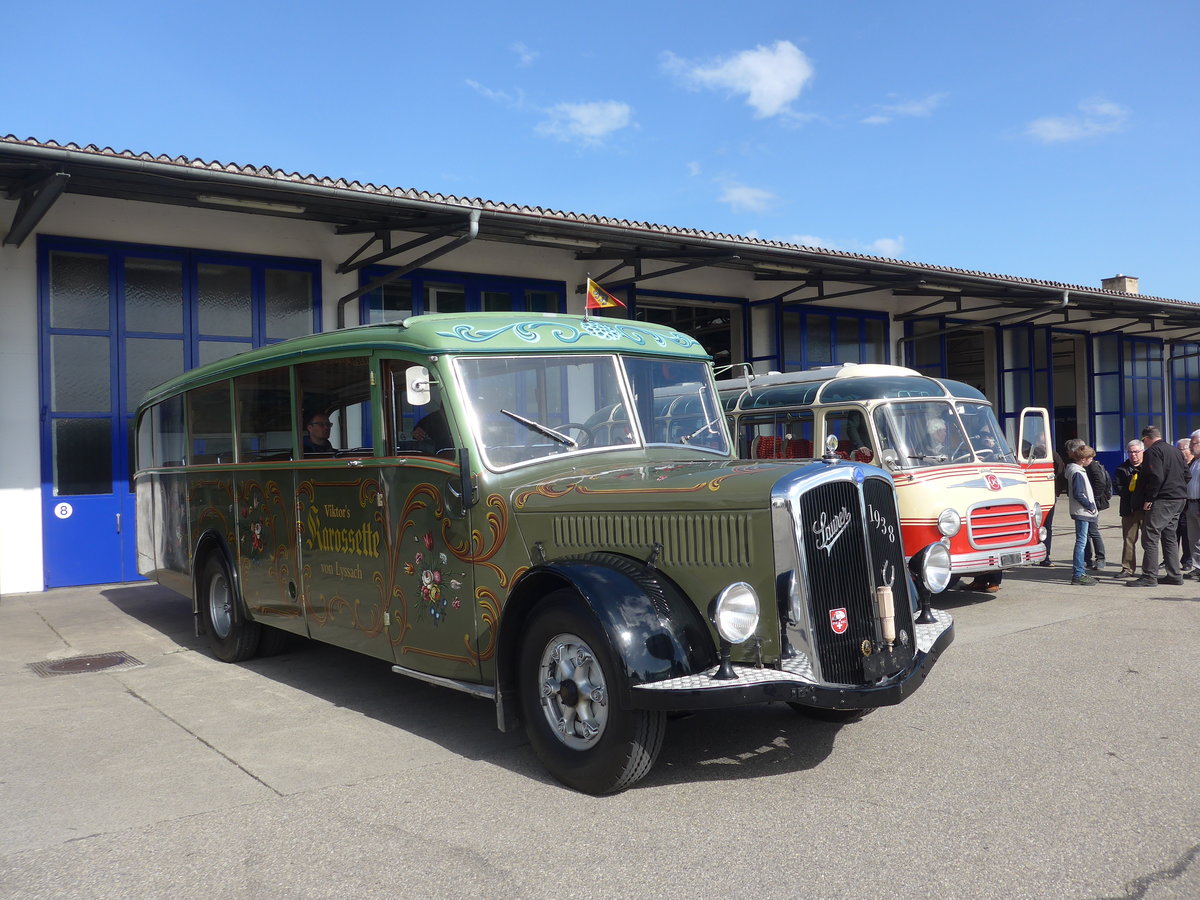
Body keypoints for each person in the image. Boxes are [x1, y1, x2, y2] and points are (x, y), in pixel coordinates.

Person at [1130, 425, 1187, 587]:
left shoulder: (1153, 452)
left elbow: (1156, 476)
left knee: (1150, 535)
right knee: (1169, 535)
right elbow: (1187, 474)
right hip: (1179, 498)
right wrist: (1177, 488)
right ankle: (1174, 574)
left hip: (1163, 499)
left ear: (1147, 439)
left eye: (1144, 441)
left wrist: (1150, 498)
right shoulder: (1175, 451)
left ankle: (1149, 576)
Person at [1065, 444, 1099, 586]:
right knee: (1081, 542)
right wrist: (1090, 505)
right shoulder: (1077, 472)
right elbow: (1079, 493)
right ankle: (1078, 573)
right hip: (1082, 512)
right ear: (1083, 459)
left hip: (1081, 511)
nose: (1091, 460)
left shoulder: (1076, 470)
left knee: (1082, 541)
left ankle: (1080, 572)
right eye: (1090, 458)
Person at [1113, 439, 1145, 577]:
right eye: (1130, 452)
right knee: (1128, 540)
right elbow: (1119, 488)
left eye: (1136, 452)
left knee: (1149, 541)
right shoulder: (1122, 469)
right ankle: (1127, 568)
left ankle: (1149, 570)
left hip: (1145, 510)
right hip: (1129, 510)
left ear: (1142, 452)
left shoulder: (1150, 467)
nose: (1133, 455)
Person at [1083, 451, 1112, 570]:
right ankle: (1088, 559)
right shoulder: (1087, 466)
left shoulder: (1093, 466)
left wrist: (1092, 500)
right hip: (1088, 503)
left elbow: (1100, 483)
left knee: (1092, 531)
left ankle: (1100, 558)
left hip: (1092, 503)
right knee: (1087, 532)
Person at [1037, 448, 1066, 567]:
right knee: (1046, 526)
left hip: (1047, 494)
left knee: (1046, 526)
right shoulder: (1052, 454)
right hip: (1046, 494)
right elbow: (1061, 472)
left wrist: (1056, 491)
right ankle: (1044, 557)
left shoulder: (1052, 454)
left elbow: (1060, 472)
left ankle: (1045, 556)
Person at [1177, 438, 1194, 573]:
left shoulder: (1195, 464)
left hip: (1191, 504)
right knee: (1173, 533)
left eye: (1181, 449)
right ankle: (1169, 560)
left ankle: (1188, 560)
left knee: (1188, 534)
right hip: (1177, 503)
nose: (1180, 452)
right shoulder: (1178, 464)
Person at [1185, 430, 1200, 580]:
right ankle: (1197, 567)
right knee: (1193, 538)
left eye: (1193, 443)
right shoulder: (1194, 462)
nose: (1191, 447)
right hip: (1191, 504)